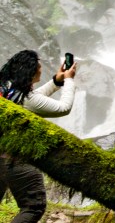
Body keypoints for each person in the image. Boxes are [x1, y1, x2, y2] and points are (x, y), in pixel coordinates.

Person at [0, 49, 78, 223]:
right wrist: (69, 80)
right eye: (38, 66)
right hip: (13, 158)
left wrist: (56, 82)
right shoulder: (26, 99)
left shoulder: (6, 88)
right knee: (34, 206)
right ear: (30, 71)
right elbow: (63, 108)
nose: (41, 69)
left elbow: (32, 99)